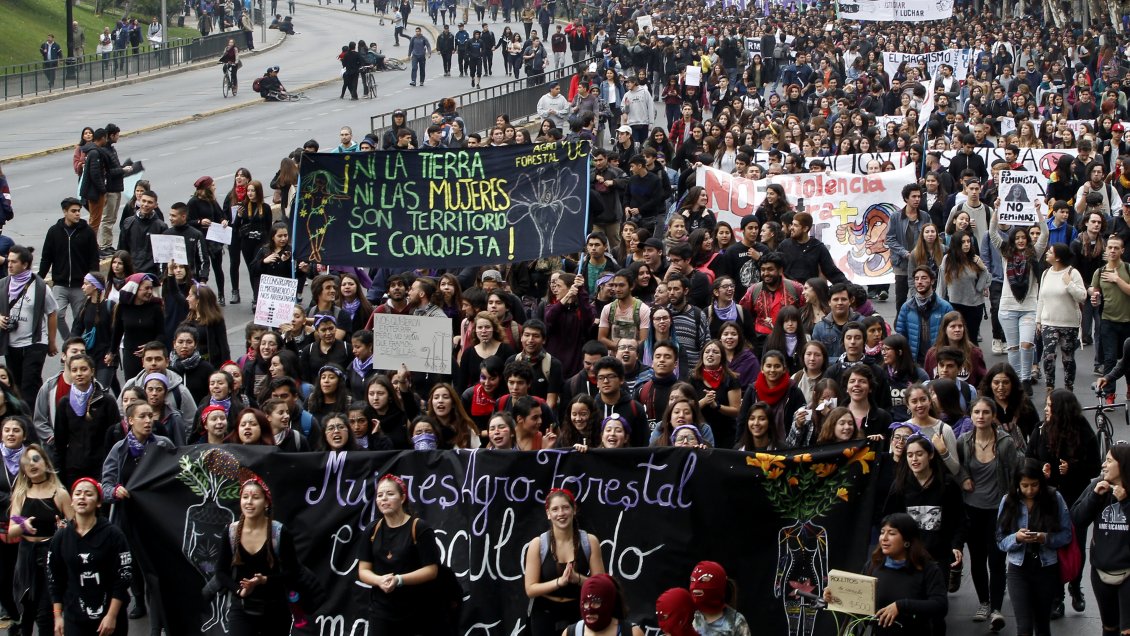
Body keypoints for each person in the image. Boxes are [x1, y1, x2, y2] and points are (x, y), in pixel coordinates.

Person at [825, 512, 947, 635]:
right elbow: (859, 602)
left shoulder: (928, 569)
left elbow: (940, 605)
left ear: (907, 540)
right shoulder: (873, 565)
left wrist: (901, 606)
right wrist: (835, 595)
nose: (884, 538)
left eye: (892, 533)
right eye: (882, 532)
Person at [955, 397, 1019, 627]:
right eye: (976, 412)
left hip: (998, 511)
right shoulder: (963, 441)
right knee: (978, 559)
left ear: (993, 416)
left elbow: (1014, 475)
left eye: (985, 412)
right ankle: (983, 602)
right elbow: (957, 469)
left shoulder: (1005, 443)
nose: (980, 417)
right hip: (972, 509)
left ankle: (996, 608)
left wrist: (1013, 507)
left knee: (997, 559)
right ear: (970, 416)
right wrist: (964, 479)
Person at [996, 458, 1074, 635]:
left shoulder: (1054, 498)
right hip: (1018, 568)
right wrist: (1016, 538)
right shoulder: (1008, 501)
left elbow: (1066, 535)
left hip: (1046, 567)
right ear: (1017, 484)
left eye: (1034, 485)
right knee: (1024, 627)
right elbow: (1000, 540)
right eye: (1024, 486)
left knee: (1042, 625)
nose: (1030, 490)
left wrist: (1043, 538)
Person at [213, 476, 299, 636]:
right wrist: (239, 590)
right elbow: (221, 572)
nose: (249, 502)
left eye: (255, 497)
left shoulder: (279, 533)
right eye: (245, 497)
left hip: (276, 610)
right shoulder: (231, 532)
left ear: (266, 503)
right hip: (243, 608)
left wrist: (265, 580)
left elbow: (293, 573)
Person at [356, 474, 441, 635]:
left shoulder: (420, 528)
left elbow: (431, 570)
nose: (384, 499)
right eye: (380, 495)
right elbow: (363, 570)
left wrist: (399, 580)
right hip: (381, 610)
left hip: (415, 610)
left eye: (390, 494)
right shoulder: (372, 530)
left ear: (402, 498)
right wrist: (379, 580)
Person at [47, 478, 130, 636]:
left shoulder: (114, 535)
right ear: (71, 501)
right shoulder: (61, 537)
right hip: (75, 619)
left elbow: (123, 578)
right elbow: (54, 578)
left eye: (88, 494)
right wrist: (58, 616)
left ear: (99, 503)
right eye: (77, 494)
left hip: (109, 618)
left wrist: (111, 616)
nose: (82, 497)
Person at [9, 443, 72, 636]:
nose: (32, 464)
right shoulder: (21, 494)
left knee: (46, 614)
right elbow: (12, 529)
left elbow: (75, 527)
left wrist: (63, 528)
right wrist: (22, 525)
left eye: (36, 459)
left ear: (45, 462)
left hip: (51, 555)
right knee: (26, 610)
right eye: (27, 461)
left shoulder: (59, 494)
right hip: (27, 556)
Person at [524, 488, 604, 635]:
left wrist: (577, 579)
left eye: (565, 507)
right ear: (548, 514)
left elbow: (601, 586)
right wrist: (559, 582)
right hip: (544, 612)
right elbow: (530, 589)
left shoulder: (590, 542)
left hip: (579, 611)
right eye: (555, 509)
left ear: (574, 510)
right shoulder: (538, 545)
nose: (561, 513)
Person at [988, 202, 1049, 393]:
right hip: (1007, 308)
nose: (1021, 241)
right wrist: (996, 210)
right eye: (1018, 238)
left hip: (1029, 307)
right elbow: (992, 234)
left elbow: (1045, 235)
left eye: (1024, 237)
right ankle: (1015, 381)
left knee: (1027, 343)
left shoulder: (1034, 254)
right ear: (1013, 240)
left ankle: (1025, 378)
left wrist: (1039, 212)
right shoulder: (1006, 254)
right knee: (1013, 348)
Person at [0, 246, 59, 402]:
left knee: (29, 385)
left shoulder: (40, 287)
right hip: (11, 343)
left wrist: (51, 342)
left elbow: (52, 313)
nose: (9, 265)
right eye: (9, 261)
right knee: (15, 385)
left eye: (14, 262)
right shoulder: (3, 285)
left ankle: (31, 421)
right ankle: (19, 420)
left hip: (35, 342)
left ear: (25, 265)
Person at [39, 198, 99, 342]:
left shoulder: (88, 232)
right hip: (60, 284)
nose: (77, 214)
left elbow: (93, 258)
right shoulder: (54, 231)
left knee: (80, 318)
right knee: (56, 314)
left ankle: (76, 345)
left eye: (79, 211)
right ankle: (69, 342)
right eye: (73, 211)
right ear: (65, 212)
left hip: (81, 285)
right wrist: (39, 278)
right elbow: (46, 257)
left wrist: (94, 281)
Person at [895, 267, 955, 366]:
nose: (919, 282)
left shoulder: (945, 307)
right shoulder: (906, 308)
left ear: (932, 281)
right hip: (915, 362)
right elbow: (900, 337)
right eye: (917, 279)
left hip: (939, 361)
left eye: (923, 278)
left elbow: (951, 337)